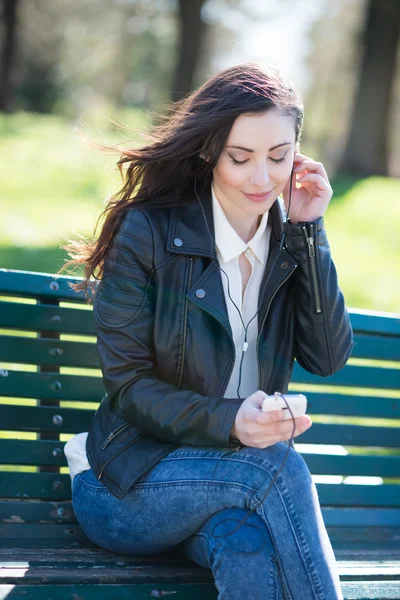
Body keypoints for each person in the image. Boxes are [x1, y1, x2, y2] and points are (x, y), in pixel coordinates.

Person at [63, 62, 353, 600]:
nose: (261, 178)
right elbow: (127, 387)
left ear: (298, 155)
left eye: (279, 157)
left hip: (229, 490)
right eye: (240, 158)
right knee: (273, 466)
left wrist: (310, 232)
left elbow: (328, 357)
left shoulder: (289, 243)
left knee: (247, 548)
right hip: (128, 484)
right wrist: (233, 423)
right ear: (209, 151)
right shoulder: (148, 232)